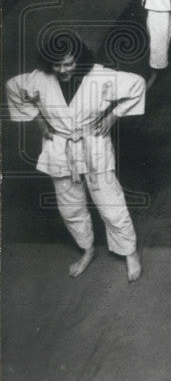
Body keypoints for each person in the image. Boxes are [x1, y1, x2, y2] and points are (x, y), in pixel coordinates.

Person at [5, 31, 146, 281]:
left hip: (93, 144)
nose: (63, 69)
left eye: (68, 63)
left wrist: (112, 117)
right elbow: (12, 87)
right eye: (57, 64)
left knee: (111, 204)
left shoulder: (100, 77)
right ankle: (87, 249)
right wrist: (38, 120)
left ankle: (129, 252)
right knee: (70, 207)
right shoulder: (38, 80)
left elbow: (136, 84)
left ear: (79, 59)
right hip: (59, 146)